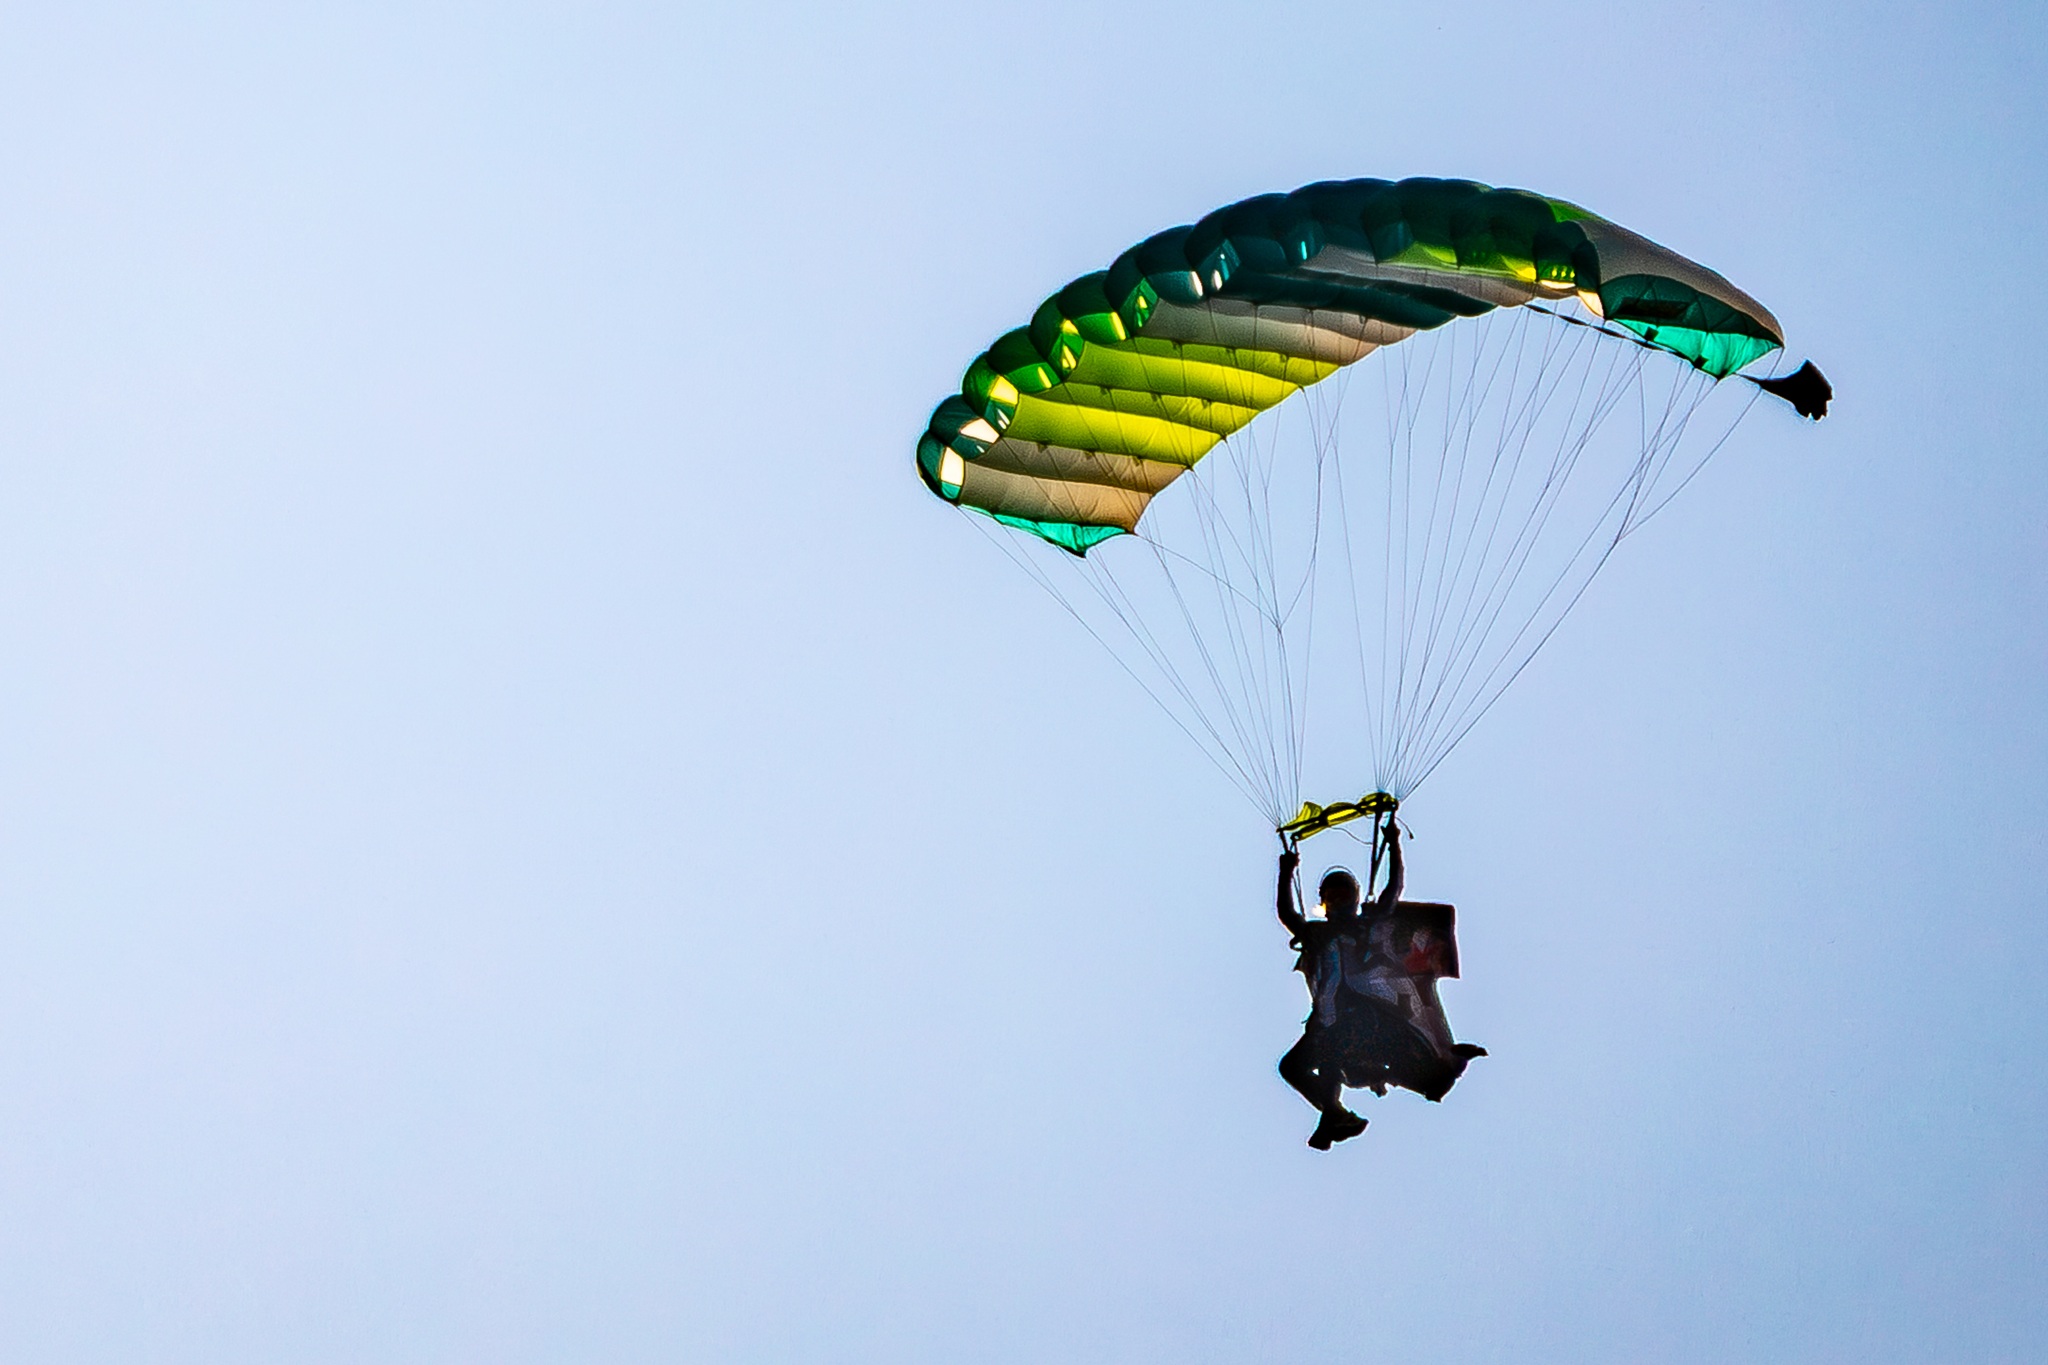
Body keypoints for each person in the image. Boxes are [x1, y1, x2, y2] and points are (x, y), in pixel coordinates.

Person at [1276, 816, 1486, 1148]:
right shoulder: (1316, 933)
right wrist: (1286, 871)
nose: (1339, 901)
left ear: (1354, 899)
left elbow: (1392, 891)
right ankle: (1336, 1113)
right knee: (1291, 1067)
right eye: (1333, 897)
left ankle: (1334, 1113)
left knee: (1333, 1050)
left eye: (1344, 895)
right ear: (1325, 903)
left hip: (1366, 1011)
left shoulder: (1368, 925)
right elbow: (1288, 915)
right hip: (1329, 1018)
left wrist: (1394, 844)